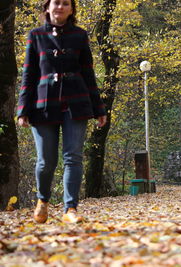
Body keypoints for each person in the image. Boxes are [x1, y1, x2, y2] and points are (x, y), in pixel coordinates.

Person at [17, 0, 107, 224]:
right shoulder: (36, 35)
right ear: (47, 7)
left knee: (73, 157)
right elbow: (29, 75)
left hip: (76, 103)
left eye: (66, 3)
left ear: (71, 9)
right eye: (56, 3)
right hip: (43, 104)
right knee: (46, 161)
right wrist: (22, 109)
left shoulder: (80, 35)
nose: (60, 7)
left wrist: (99, 108)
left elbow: (88, 74)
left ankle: (70, 209)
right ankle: (42, 201)